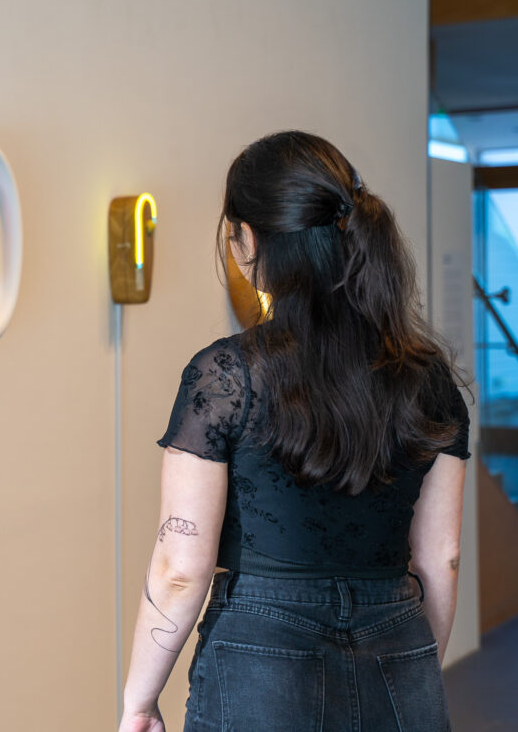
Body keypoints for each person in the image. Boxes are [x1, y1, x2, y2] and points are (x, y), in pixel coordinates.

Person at [118, 130, 472, 732]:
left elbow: (180, 567)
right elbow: (442, 556)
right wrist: (413, 666)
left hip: (261, 646)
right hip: (397, 635)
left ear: (249, 239)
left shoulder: (226, 375)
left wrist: (138, 701)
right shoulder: (427, 377)